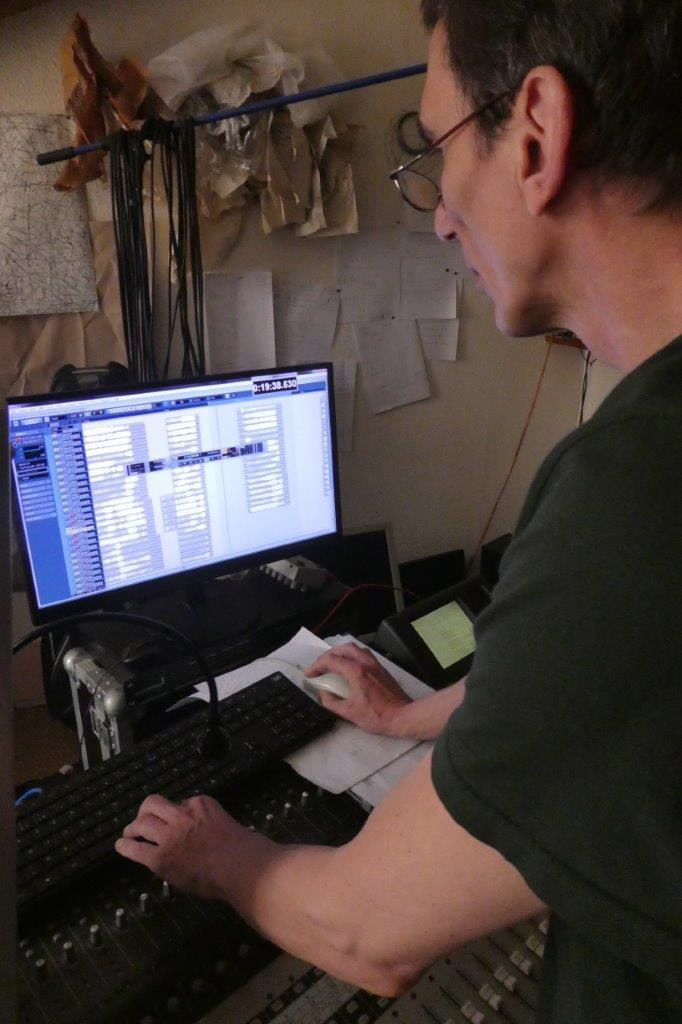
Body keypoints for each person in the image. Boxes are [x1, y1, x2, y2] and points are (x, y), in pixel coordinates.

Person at [116, 1, 682, 1019]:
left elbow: (366, 933)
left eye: (436, 146)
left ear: (539, 134)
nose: (436, 212)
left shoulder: (634, 494)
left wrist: (222, 855)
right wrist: (410, 713)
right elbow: (611, 688)